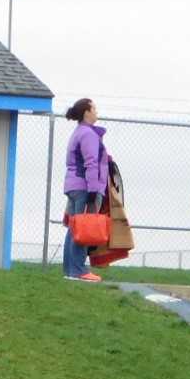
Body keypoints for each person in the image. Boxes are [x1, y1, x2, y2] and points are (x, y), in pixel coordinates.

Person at [62, 97, 108, 283]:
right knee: (84, 228)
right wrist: (93, 189)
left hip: (73, 185)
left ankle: (70, 270)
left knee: (74, 228)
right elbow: (91, 163)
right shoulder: (88, 134)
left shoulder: (78, 132)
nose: (97, 112)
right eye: (94, 108)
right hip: (84, 186)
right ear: (86, 112)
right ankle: (79, 271)